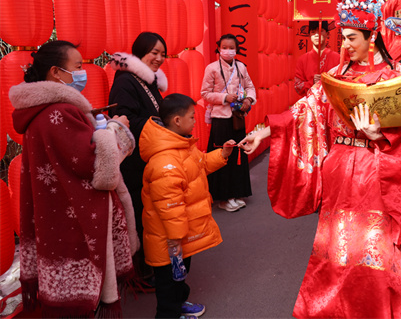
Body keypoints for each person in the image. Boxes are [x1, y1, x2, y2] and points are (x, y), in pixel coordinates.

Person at [239, 0, 401, 318]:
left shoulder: (398, 77)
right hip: (340, 171)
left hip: (377, 170)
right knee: (336, 248)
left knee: (374, 248)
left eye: (352, 38)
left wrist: (379, 136)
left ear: (372, 36)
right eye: (343, 37)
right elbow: (305, 110)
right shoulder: (336, 77)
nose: (346, 45)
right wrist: (264, 133)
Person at [10, 40, 138, 317]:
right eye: (78, 66)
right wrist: (117, 129)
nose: (83, 73)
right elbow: (96, 166)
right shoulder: (59, 111)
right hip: (75, 217)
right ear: (56, 72)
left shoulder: (40, 110)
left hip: (56, 212)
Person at [138, 93, 235, 319]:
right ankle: (169, 314)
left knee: (178, 277)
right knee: (168, 285)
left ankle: (180, 306)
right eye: (192, 116)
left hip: (178, 238)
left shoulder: (182, 146)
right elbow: (170, 207)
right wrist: (176, 240)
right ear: (177, 120)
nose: (195, 120)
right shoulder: (165, 161)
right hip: (170, 240)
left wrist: (222, 154)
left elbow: (200, 165)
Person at [108, 31, 168, 286]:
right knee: (142, 214)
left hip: (151, 156)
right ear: (140, 51)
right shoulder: (125, 81)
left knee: (153, 213)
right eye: (154, 52)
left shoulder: (147, 80)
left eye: (163, 54)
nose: (159, 58)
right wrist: (163, 125)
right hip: (136, 161)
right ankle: (143, 271)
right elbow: (124, 120)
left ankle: (155, 264)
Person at [201, 34, 256, 212]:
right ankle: (223, 197)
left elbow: (250, 87)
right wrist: (224, 97)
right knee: (222, 155)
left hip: (237, 116)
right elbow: (205, 93)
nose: (228, 50)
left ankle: (237, 193)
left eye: (231, 47)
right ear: (219, 48)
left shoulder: (241, 67)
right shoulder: (212, 68)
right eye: (224, 47)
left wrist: (248, 99)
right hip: (220, 118)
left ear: (236, 49)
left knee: (238, 154)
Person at [294, 20, 340, 96]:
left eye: (320, 31)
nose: (316, 34)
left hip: (331, 100)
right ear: (309, 35)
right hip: (310, 100)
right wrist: (312, 82)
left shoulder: (337, 58)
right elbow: (297, 86)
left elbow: (343, 83)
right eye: (313, 32)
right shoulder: (302, 60)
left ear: (327, 34)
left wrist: (328, 81)